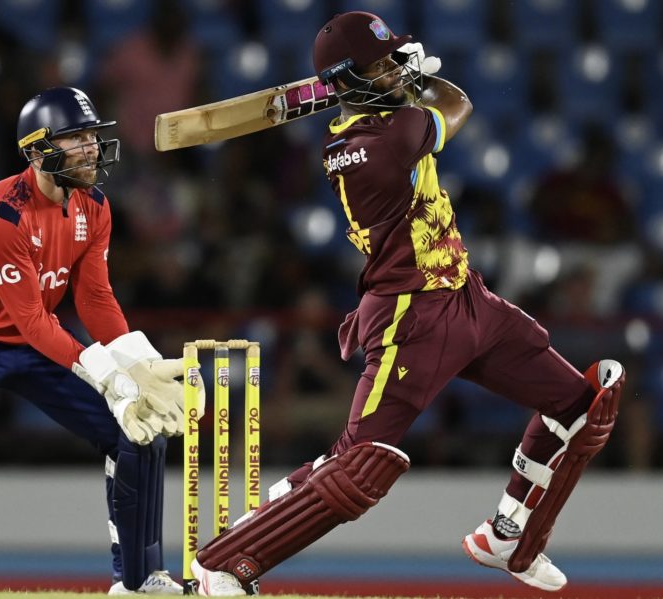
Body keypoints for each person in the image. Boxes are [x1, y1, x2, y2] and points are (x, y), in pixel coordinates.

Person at [186, 12, 624, 595]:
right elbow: (458, 103)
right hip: (409, 316)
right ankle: (226, 560)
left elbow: (426, 99)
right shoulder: (379, 141)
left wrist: (395, 79)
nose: (397, 67)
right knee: (361, 466)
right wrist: (418, 83)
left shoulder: (381, 123)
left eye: (396, 58)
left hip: (470, 299)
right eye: (384, 61)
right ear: (348, 79)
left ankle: (509, 538)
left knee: (580, 407)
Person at [0, 87, 198, 595]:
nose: (92, 147)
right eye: (76, 138)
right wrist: (107, 374)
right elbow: (30, 319)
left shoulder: (94, 206)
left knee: (137, 427)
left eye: (93, 135)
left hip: (32, 341)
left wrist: (138, 366)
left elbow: (94, 299)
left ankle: (138, 579)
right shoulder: (1, 215)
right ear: (37, 151)